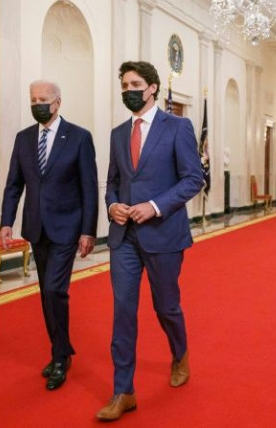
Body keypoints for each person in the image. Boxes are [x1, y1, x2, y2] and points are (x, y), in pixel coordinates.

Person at [96, 61, 204, 421]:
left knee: (166, 307)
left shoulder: (178, 127)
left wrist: (155, 206)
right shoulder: (116, 133)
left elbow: (193, 179)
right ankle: (123, 391)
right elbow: (111, 181)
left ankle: (180, 353)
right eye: (124, 83)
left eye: (136, 83)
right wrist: (112, 205)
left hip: (164, 235)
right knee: (123, 312)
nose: (129, 89)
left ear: (153, 88)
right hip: (123, 237)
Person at [0, 80, 98, 390]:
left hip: (67, 227)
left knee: (55, 290)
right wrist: (6, 222)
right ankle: (61, 351)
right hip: (36, 228)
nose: (37, 103)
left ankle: (60, 355)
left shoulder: (79, 138)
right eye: (33, 99)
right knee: (45, 293)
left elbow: (89, 188)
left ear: (57, 103)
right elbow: (14, 184)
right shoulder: (24, 138)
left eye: (43, 98)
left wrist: (88, 231)